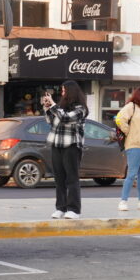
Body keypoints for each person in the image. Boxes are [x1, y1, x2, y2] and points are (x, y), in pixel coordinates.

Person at [42, 80, 88, 220]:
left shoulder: (81, 108)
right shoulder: (61, 107)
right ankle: (60, 208)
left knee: (72, 178)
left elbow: (66, 118)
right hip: (57, 144)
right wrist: (47, 108)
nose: (62, 93)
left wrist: (53, 105)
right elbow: (51, 121)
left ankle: (74, 210)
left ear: (70, 92)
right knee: (59, 178)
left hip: (72, 145)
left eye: (64, 90)